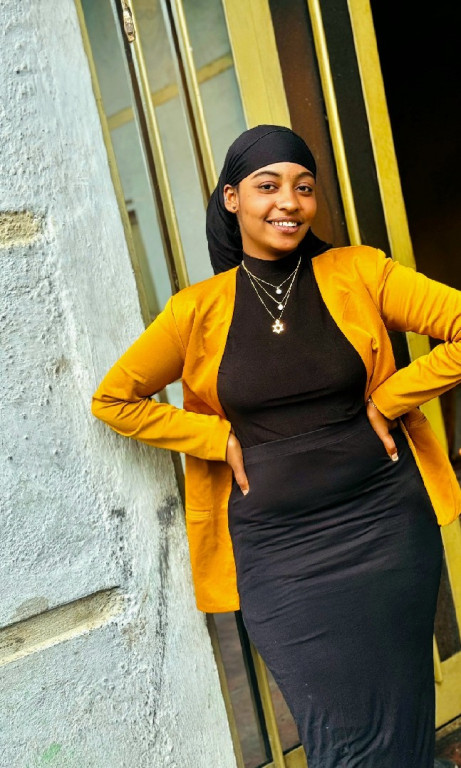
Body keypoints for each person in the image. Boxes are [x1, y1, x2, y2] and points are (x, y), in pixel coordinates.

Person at [92, 125, 461, 768]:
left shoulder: (359, 271)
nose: (289, 202)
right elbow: (113, 399)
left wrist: (391, 398)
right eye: (268, 186)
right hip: (279, 554)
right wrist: (212, 436)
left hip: (385, 529)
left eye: (304, 187)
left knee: (401, 721)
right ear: (232, 198)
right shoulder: (195, 311)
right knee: (339, 738)